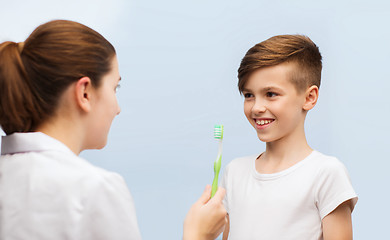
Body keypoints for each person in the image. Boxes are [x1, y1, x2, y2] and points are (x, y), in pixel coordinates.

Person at [0, 20, 227, 240]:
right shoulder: (95, 189)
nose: (117, 109)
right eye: (114, 87)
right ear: (85, 93)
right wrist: (197, 235)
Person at [221, 35, 358, 240]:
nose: (257, 107)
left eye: (271, 94)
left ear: (309, 97)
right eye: (249, 95)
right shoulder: (235, 172)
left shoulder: (326, 174)